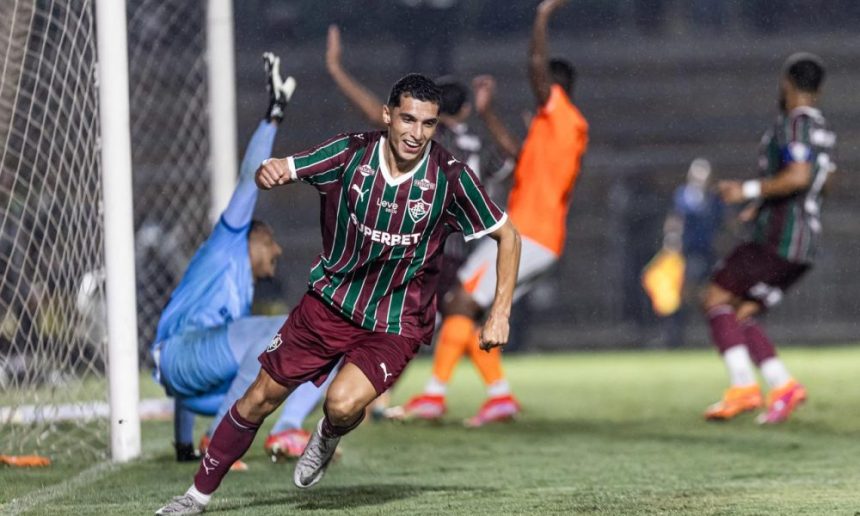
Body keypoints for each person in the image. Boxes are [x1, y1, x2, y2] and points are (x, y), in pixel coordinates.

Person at [155, 73, 521, 515]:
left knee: (342, 405)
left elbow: (509, 235)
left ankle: (327, 435)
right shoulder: (350, 154)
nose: (416, 133)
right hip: (328, 306)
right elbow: (288, 167)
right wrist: (272, 170)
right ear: (388, 115)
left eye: (428, 124)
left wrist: (500, 312)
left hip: (395, 322)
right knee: (258, 398)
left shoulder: (449, 177)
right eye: (407, 119)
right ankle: (195, 497)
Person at [397, 0, 588, 427]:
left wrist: (541, 16)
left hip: (527, 235)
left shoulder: (560, 115)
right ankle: (498, 398)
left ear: (555, 88)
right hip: (542, 239)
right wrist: (487, 113)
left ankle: (434, 396)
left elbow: (536, 67)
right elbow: (519, 157)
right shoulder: (559, 130)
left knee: (459, 301)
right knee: (471, 309)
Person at [151, 53, 329, 469]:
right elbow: (251, 180)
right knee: (287, 329)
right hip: (179, 359)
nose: (278, 251)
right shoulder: (229, 241)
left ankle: (283, 430)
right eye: (272, 242)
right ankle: (225, 437)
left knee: (324, 348)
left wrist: (182, 445)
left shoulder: (240, 288)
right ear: (255, 237)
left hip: (193, 386)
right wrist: (273, 116)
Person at [702, 53, 835, 424]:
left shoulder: (796, 123)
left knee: (715, 297)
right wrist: (763, 203)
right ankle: (784, 386)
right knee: (741, 313)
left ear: (786, 84)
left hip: (780, 237)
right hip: (803, 242)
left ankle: (743, 387)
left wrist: (746, 190)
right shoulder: (822, 129)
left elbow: (797, 177)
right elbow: (821, 183)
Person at [661, 158, 724, 348]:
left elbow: (724, 223)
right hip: (689, 252)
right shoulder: (683, 195)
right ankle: (675, 335)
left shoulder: (714, 198)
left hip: (709, 251)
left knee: (711, 293)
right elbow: (675, 219)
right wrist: (672, 240)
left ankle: (717, 334)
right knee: (685, 292)